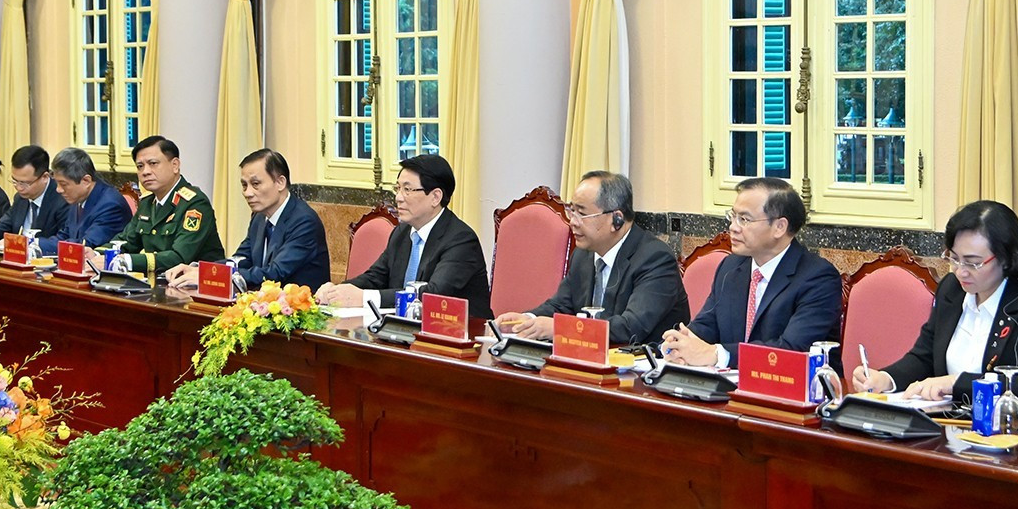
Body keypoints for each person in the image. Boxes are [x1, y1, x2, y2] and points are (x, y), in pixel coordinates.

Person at [849, 200, 1018, 417]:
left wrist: (956, 383)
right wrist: (886, 379)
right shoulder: (952, 290)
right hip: (945, 424)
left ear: (1006, 259)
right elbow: (924, 357)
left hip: (1004, 428)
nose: (961, 271)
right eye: (954, 259)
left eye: (973, 263)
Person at [661, 177, 842, 368]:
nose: (733, 227)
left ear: (779, 227)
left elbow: (792, 349)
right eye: (732, 216)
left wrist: (718, 355)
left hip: (796, 384)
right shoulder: (731, 267)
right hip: (731, 382)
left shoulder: (818, 278)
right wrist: (682, 343)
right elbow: (707, 325)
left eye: (744, 219)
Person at [497, 171, 687, 347]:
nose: (573, 221)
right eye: (572, 211)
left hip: (641, 365)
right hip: (590, 359)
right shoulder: (584, 254)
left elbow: (630, 328)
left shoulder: (655, 259)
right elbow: (561, 305)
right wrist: (526, 320)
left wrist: (561, 329)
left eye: (582, 213)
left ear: (617, 220)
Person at [317, 154, 489, 317]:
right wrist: (336, 292)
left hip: (458, 331)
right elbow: (375, 277)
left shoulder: (461, 240)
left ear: (435, 197)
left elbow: (432, 295)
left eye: (407, 189)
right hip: (403, 329)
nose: (398, 197)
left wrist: (364, 298)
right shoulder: (402, 232)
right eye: (397, 188)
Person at [167, 150, 329, 292]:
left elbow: (274, 273)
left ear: (280, 182)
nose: (247, 193)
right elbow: (241, 259)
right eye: (244, 185)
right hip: (263, 304)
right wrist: (202, 270)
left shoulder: (303, 221)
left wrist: (212, 276)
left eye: (255, 184)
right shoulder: (259, 217)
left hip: (299, 310)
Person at [104, 135, 224, 277]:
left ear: (175, 165)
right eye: (140, 166)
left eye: (153, 163)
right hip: (160, 281)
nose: (145, 172)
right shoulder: (148, 203)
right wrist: (95, 254)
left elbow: (178, 257)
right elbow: (126, 241)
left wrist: (126, 261)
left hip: (198, 284)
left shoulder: (195, 204)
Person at [41, 147, 130, 256]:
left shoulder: (110, 205)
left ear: (86, 181)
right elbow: (64, 236)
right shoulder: (78, 197)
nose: (58, 189)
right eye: (57, 183)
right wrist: (35, 244)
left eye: (63, 184)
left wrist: (37, 244)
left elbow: (86, 245)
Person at [0, 145, 68, 246]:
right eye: (15, 181)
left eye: (24, 183)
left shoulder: (63, 198)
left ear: (44, 177)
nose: (18, 188)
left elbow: (64, 240)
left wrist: (24, 243)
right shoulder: (20, 198)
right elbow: (5, 224)